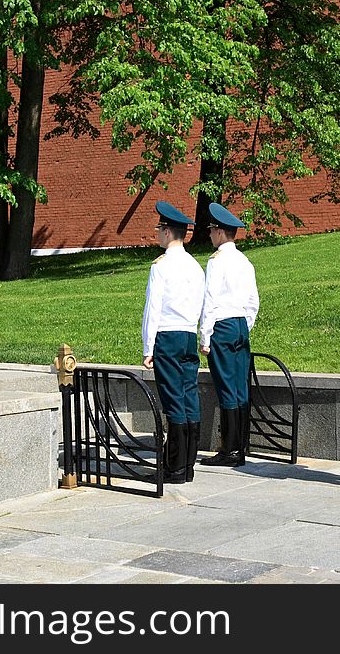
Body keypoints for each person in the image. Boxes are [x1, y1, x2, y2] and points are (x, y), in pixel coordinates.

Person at [142, 201, 206, 483]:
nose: (157, 235)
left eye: (159, 230)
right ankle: (187, 465)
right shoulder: (195, 266)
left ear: (167, 232)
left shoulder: (161, 266)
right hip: (188, 335)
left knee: (173, 401)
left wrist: (148, 346)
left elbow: (152, 308)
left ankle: (175, 466)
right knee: (189, 396)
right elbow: (204, 304)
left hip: (167, 336)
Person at [198, 202, 260, 467]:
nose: (210, 234)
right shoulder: (244, 261)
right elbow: (253, 301)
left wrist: (205, 335)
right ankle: (239, 447)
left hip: (222, 326)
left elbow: (209, 300)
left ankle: (230, 450)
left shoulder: (217, 262)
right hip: (239, 325)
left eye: (212, 230)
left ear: (221, 232)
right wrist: (245, 325)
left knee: (226, 388)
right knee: (239, 388)